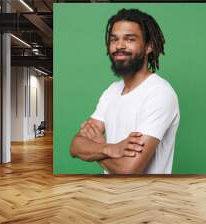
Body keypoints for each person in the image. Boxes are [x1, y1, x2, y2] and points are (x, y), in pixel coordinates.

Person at [70, 8, 180, 174]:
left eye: (129, 39)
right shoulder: (111, 92)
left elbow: (129, 169)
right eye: (114, 39)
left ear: (149, 46)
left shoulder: (159, 93)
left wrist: (97, 148)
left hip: (148, 198)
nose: (119, 46)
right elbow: (76, 146)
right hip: (110, 197)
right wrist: (109, 148)